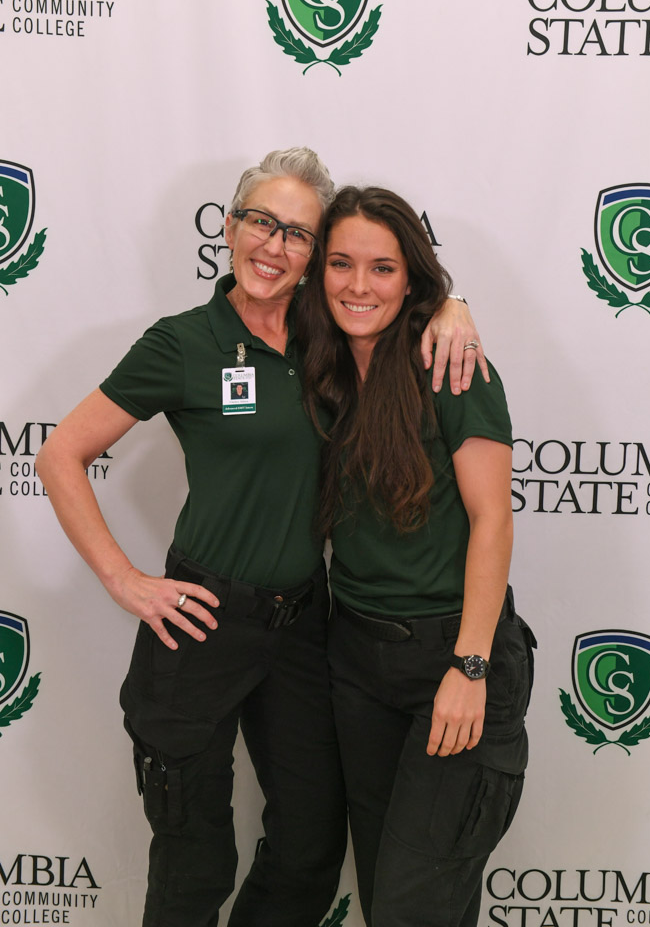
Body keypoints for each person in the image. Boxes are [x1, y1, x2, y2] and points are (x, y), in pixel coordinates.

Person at [35, 149, 487, 927]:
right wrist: (123, 579)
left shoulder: (331, 335)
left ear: (315, 255)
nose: (274, 247)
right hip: (203, 619)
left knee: (309, 850)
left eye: (298, 234)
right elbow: (58, 454)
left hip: (306, 628)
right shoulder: (182, 343)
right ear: (229, 226)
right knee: (194, 855)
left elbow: (397, 298)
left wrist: (453, 304)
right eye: (260, 223)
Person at [300, 185, 536, 927]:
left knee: (412, 909)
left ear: (413, 279)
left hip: (452, 652)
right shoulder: (323, 368)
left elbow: (490, 518)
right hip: (356, 659)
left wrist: (468, 667)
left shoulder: (451, 365)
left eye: (382, 268)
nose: (358, 286)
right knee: (387, 897)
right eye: (341, 264)